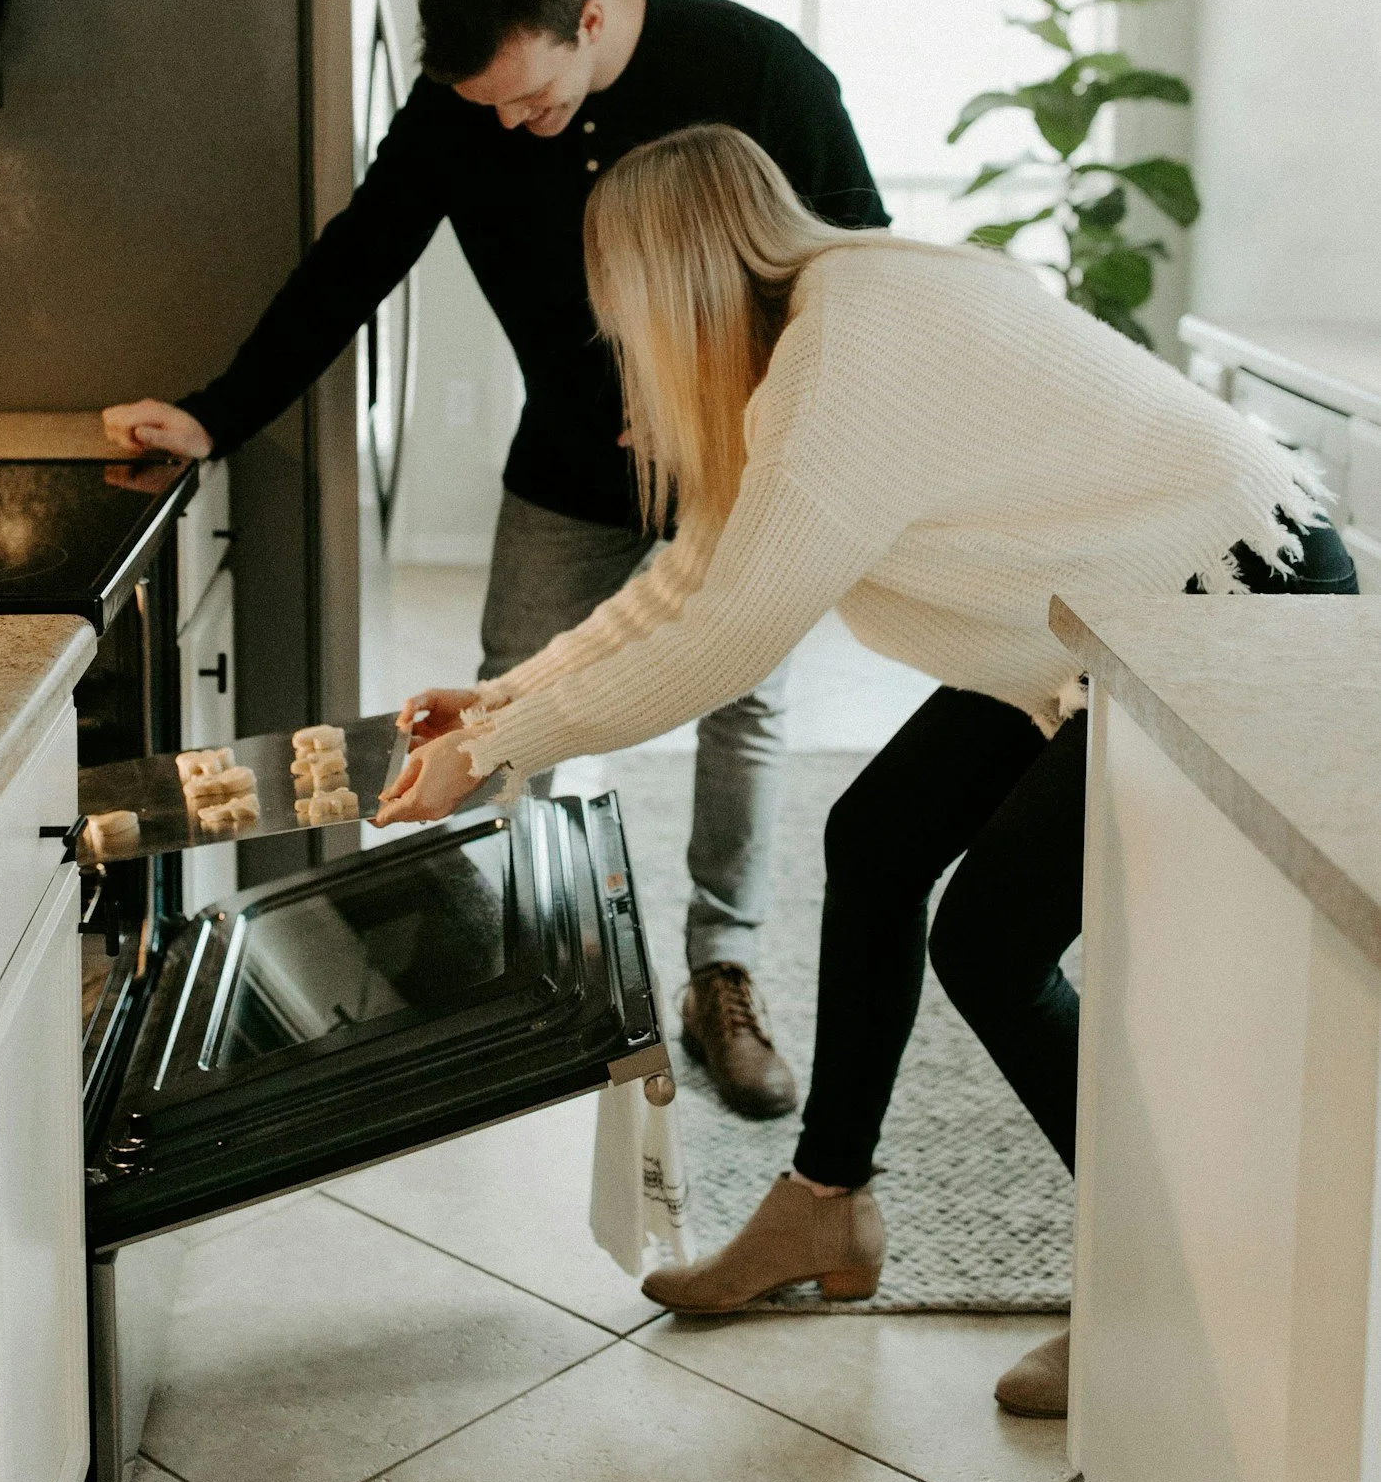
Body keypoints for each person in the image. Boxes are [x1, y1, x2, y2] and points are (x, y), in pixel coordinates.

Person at [378, 123, 1355, 1416]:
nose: (618, 345)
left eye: (618, 313)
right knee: (878, 836)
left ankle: (1158, 1298)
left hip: (1221, 596)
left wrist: (494, 749)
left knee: (988, 939)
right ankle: (824, 1207)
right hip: (1100, 614)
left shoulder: (840, 363)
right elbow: (693, 579)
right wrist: (502, 696)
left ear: (670, 287)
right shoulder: (824, 319)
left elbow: (720, 640)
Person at [104, 0, 888, 1117]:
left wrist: (744, 395)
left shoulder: (753, 65)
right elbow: (354, 261)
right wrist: (216, 412)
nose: (514, 127)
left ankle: (717, 971)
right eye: (490, 111)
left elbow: (858, 260)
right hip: (565, 464)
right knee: (509, 694)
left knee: (746, 702)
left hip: (740, 457)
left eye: (533, 100)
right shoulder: (466, 105)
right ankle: (527, 964)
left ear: (588, 18)